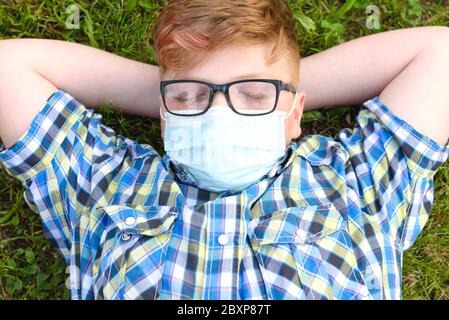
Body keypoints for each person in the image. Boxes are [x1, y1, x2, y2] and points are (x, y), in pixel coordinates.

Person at [0, 0, 448, 300]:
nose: (220, 114)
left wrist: (275, 86)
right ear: (164, 112)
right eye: (191, 98)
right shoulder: (107, 183)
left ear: (294, 114)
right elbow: (8, 67)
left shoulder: (355, 181)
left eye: (253, 96)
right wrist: (176, 90)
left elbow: (440, 53)